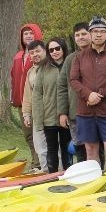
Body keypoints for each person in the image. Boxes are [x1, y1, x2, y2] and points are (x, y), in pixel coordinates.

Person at [69, 16, 106, 188]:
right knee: (91, 150)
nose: (98, 35)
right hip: (85, 112)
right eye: (95, 31)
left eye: (102, 31)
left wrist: (99, 94)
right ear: (90, 34)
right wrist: (88, 95)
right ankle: (95, 187)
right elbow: (74, 80)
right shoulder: (79, 57)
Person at [10, 23, 44, 170]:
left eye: (31, 33)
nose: (28, 35)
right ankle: (35, 161)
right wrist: (15, 98)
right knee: (28, 135)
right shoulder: (18, 56)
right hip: (21, 102)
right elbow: (14, 78)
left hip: (38, 102)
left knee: (39, 134)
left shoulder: (41, 54)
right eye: (25, 34)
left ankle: (41, 163)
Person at [57, 22, 91, 163]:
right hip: (74, 113)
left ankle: (98, 176)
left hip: (95, 113)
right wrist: (62, 112)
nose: (81, 37)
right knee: (79, 147)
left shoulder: (100, 56)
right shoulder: (70, 59)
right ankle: (84, 179)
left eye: (84, 34)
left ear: (91, 34)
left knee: (95, 148)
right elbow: (62, 86)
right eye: (77, 35)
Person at [41, 37, 72, 171]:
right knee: (52, 148)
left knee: (67, 147)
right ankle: (51, 176)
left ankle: (68, 173)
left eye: (57, 48)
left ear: (63, 48)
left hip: (67, 114)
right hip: (49, 115)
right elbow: (37, 93)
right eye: (51, 50)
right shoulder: (44, 68)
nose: (54, 52)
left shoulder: (71, 64)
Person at [21, 40, 49, 172]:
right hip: (37, 116)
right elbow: (27, 96)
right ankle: (45, 172)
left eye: (38, 51)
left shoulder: (52, 67)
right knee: (40, 148)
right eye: (31, 53)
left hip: (53, 115)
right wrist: (26, 114)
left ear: (44, 50)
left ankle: (59, 172)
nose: (35, 55)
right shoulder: (30, 72)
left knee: (55, 148)